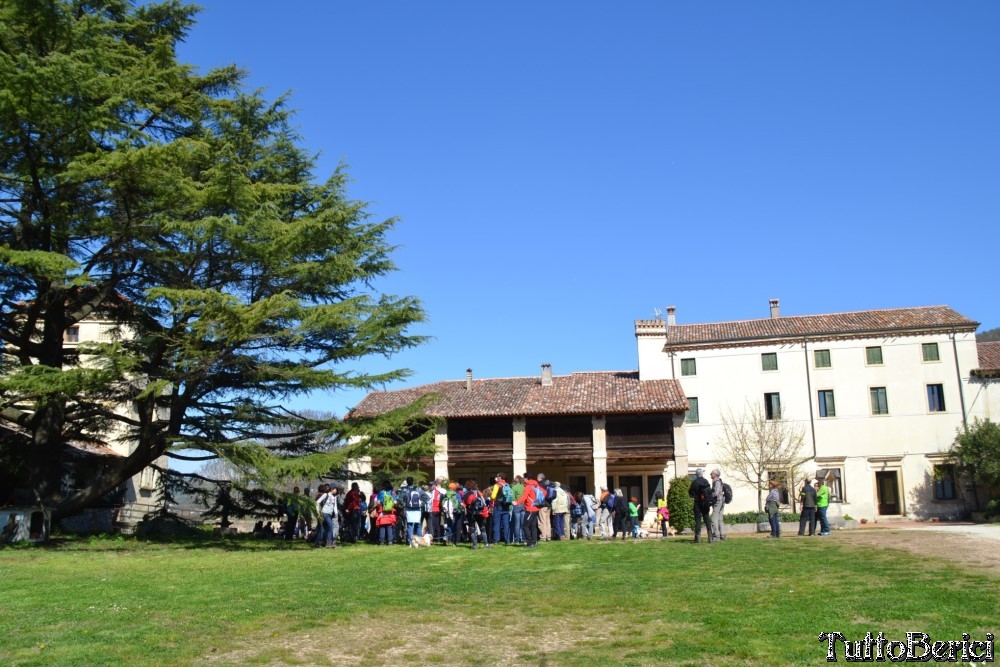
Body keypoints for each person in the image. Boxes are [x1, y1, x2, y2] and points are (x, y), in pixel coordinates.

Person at [516, 473, 542, 548]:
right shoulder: (536, 485)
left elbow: (524, 496)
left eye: (524, 478)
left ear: (526, 478)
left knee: (525, 526)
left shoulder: (528, 486)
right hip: (536, 508)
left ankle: (529, 542)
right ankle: (534, 542)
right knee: (533, 526)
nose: (523, 479)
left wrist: (517, 502)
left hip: (530, 508)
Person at [688, 468, 713, 543]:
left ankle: (698, 537)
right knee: (707, 519)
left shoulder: (694, 482)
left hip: (697, 503)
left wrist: (693, 495)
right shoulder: (706, 481)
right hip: (705, 503)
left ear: (696, 474)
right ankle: (710, 536)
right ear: (702, 474)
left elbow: (690, 491)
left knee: (698, 520)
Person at [464, 480, 490, 549]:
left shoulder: (466, 494)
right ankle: (486, 544)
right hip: (480, 513)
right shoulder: (479, 493)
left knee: (472, 529)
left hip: (471, 514)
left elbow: (465, 504)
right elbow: (484, 502)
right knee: (482, 528)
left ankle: (474, 545)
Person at [315, 484, 339, 548]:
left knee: (323, 528)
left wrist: (336, 515)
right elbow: (317, 502)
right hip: (324, 513)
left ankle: (318, 542)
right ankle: (329, 543)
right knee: (330, 526)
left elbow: (335, 507)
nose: (336, 490)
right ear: (331, 489)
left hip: (330, 514)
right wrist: (318, 512)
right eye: (335, 489)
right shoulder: (326, 495)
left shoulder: (334, 497)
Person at [375, 481, 397, 546]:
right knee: (389, 526)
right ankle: (390, 541)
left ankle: (381, 541)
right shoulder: (393, 493)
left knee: (382, 526)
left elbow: (378, 502)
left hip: (382, 511)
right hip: (390, 511)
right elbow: (395, 502)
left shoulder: (381, 493)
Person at [710, 468, 727, 542]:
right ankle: (723, 535)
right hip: (722, 501)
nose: (710, 474)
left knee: (714, 519)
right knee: (720, 519)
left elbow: (716, 493)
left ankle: (716, 535)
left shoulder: (716, 481)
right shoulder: (720, 481)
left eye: (711, 473)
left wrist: (710, 495)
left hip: (718, 502)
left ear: (715, 474)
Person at [510, 475, 526, 544]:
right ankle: (524, 539)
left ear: (517, 479)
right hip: (524, 505)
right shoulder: (524, 487)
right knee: (523, 523)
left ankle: (517, 540)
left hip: (517, 505)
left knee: (517, 524)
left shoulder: (514, 487)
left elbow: (512, 498)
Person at [537, 474, 552, 542]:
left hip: (542, 505)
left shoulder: (540, 485)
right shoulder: (548, 484)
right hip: (549, 505)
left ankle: (543, 537)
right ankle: (548, 536)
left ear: (539, 478)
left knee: (542, 521)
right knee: (547, 521)